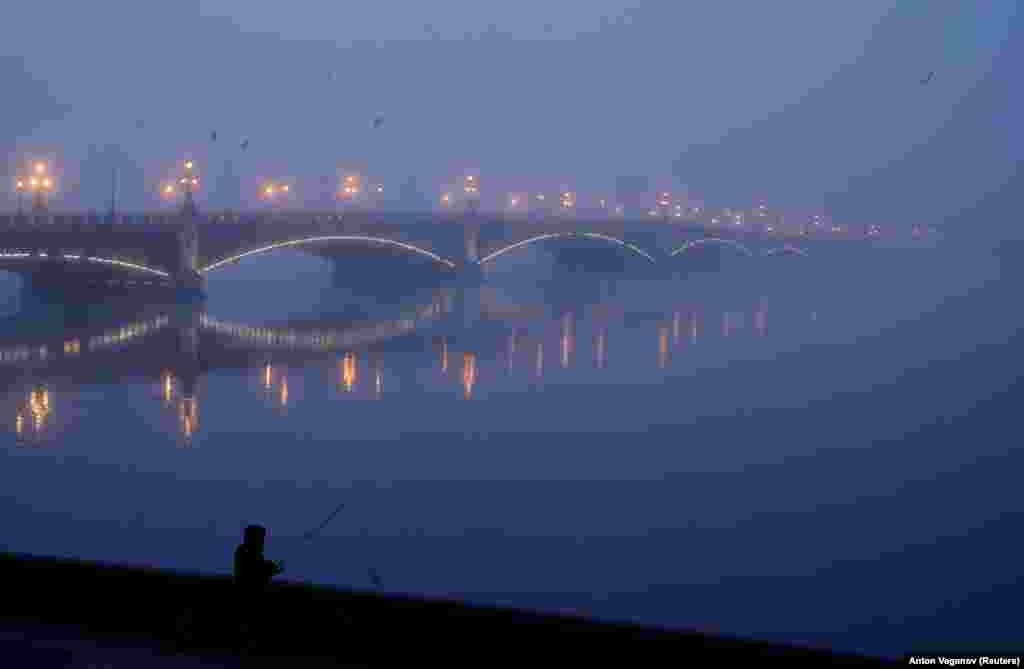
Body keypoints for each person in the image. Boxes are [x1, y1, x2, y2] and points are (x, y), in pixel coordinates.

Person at [233, 524, 284, 652]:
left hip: (250, 596)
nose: (263, 541)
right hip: (248, 597)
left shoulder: (245, 552)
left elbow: (261, 569)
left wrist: (272, 569)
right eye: (261, 538)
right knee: (249, 624)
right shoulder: (245, 552)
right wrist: (272, 569)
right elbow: (255, 572)